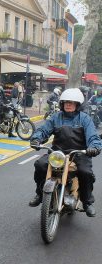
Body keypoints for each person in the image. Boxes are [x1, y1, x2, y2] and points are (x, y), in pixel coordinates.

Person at [29, 88, 102, 217]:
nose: (68, 104)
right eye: (66, 102)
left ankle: (87, 202)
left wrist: (94, 147)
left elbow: (92, 136)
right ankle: (40, 194)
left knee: (86, 172)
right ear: (62, 104)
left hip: (79, 153)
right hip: (58, 153)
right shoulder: (56, 117)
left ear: (78, 105)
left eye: (72, 102)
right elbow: (44, 130)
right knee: (40, 165)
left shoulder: (84, 119)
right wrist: (36, 138)